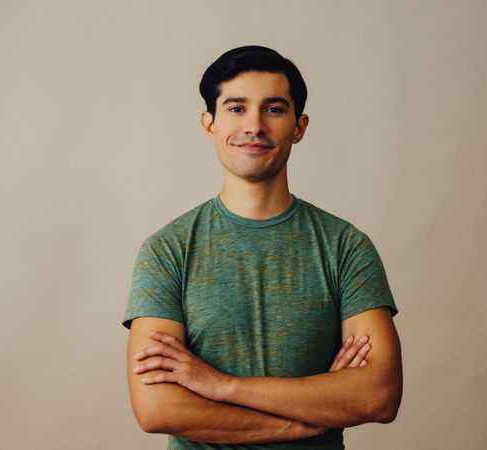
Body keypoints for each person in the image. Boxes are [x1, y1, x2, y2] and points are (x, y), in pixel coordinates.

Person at [122, 45, 402, 449]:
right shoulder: (168, 250)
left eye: (273, 109)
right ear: (209, 125)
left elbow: (379, 395)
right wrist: (304, 420)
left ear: (299, 126)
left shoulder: (345, 247)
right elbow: (158, 409)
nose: (254, 125)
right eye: (236, 109)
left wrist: (222, 386)